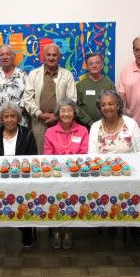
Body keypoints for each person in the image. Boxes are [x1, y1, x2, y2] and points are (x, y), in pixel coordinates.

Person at [0, 102, 37, 247]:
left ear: (18, 118)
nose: (9, 120)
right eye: (6, 116)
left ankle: (26, 231)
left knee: (23, 200)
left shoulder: (27, 133)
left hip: (21, 180)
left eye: (13, 116)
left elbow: (32, 159)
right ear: (2, 119)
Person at [43, 97, 88, 250]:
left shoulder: (83, 131)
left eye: (69, 110)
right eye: (63, 111)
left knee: (73, 198)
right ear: (58, 113)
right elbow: (48, 157)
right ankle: (56, 228)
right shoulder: (50, 132)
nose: (66, 113)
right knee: (55, 197)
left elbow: (84, 155)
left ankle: (68, 229)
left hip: (76, 175)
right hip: (56, 175)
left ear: (74, 113)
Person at [24, 43, 77, 153]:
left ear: (59, 57)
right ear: (43, 56)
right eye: (48, 55)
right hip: (39, 121)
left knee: (62, 151)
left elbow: (72, 99)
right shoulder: (33, 74)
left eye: (54, 55)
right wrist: (39, 114)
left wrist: (57, 115)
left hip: (62, 120)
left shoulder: (67, 75)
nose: (51, 58)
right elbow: (27, 99)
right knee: (40, 153)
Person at [88, 90, 140, 156]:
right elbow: (92, 154)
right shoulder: (95, 127)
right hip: (104, 165)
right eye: (103, 105)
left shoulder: (131, 123)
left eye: (110, 104)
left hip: (129, 165)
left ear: (118, 106)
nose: (107, 107)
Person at [0, 44, 29, 130]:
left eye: (8, 54)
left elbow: (26, 98)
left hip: (19, 122)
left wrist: (14, 118)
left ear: (14, 56)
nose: (5, 57)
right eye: (2, 55)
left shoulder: (23, 75)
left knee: (19, 143)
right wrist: (0, 117)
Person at [76, 53, 115, 128]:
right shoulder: (80, 85)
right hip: (85, 126)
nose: (94, 65)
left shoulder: (109, 85)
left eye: (97, 63)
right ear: (87, 67)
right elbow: (77, 108)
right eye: (91, 63)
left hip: (106, 126)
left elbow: (114, 105)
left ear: (102, 65)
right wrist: (89, 122)